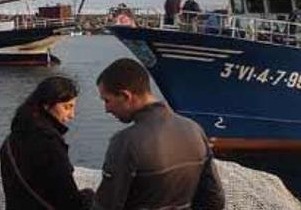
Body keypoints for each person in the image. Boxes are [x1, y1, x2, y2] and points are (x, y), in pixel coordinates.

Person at [93, 58, 224, 210]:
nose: (106, 109)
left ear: (126, 96)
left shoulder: (125, 142)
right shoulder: (194, 129)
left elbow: (106, 205)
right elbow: (215, 199)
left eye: (107, 100)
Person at [0, 76, 93, 210]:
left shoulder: (10, 141)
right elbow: (69, 199)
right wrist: (88, 197)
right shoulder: (49, 144)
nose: (71, 115)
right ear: (47, 105)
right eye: (67, 107)